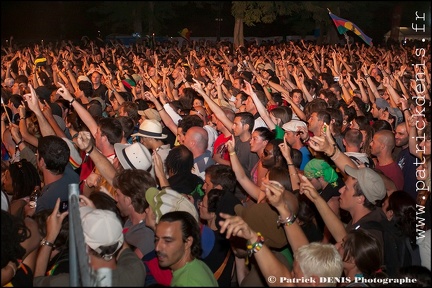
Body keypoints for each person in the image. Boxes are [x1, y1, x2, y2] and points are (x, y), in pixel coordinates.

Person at [33, 198, 147, 286]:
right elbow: (117, 239)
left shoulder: (68, 282)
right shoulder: (136, 272)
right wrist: (101, 220)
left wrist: (49, 238)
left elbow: (37, 281)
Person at [155, 211, 218, 286]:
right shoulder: (197, 265)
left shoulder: (187, 283)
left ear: (188, 242)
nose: (157, 248)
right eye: (156, 239)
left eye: (167, 241)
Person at [33, 135, 80, 214]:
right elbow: (56, 147)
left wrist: (28, 215)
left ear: (41, 162)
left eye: (37, 155)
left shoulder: (44, 203)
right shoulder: (72, 175)